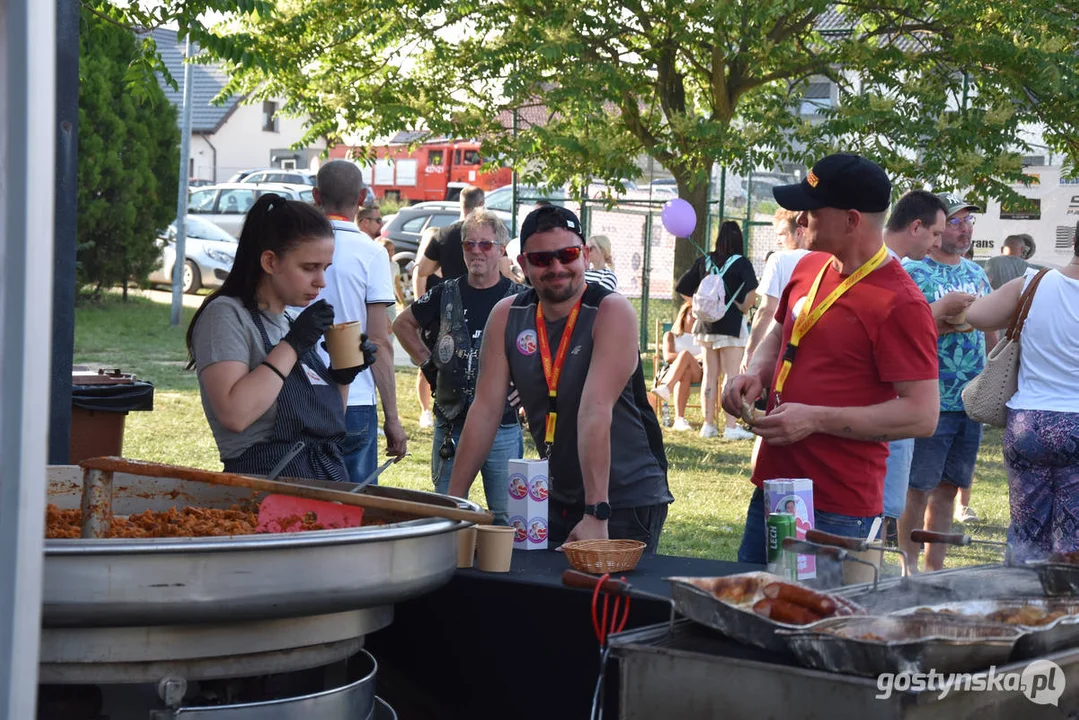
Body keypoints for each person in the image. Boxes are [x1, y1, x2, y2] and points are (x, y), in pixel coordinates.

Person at [721, 153, 939, 571]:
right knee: (755, 617)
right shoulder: (809, 266)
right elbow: (779, 336)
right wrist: (755, 376)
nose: (799, 219)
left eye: (812, 211)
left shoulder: (901, 303)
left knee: (816, 628)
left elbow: (921, 415)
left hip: (839, 508)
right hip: (775, 487)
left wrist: (814, 419)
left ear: (851, 220)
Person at [447, 205, 673, 553]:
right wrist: (453, 502)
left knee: (606, 604)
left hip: (623, 497)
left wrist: (597, 512)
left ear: (584, 255)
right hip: (554, 492)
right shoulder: (507, 316)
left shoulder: (611, 311)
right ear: (523, 264)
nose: (556, 268)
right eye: (541, 259)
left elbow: (594, 411)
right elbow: (485, 411)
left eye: (567, 255)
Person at [186, 194, 375, 480]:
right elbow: (234, 414)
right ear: (270, 262)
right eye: (309, 267)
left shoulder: (290, 321)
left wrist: (342, 378)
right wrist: (293, 345)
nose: (321, 281)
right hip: (266, 491)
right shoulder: (226, 315)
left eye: (325, 268)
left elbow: (324, 426)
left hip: (323, 483)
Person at [393, 210, 527, 524]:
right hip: (451, 422)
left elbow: (548, 343)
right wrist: (428, 365)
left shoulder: (521, 299)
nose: (476, 252)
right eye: (469, 245)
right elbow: (402, 325)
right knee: (445, 511)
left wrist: (527, 386)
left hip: (502, 425)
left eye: (485, 245)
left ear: (501, 249)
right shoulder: (445, 293)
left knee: (506, 515)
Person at [965, 221, 1079, 562]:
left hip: (1029, 423)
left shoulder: (1033, 282)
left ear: (1074, 240)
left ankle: (1017, 600)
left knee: (1027, 533)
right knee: (1073, 543)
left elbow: (977, 315)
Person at [898, 193, 997, 572]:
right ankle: (907, 570)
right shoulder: (912, 270)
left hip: (968, 400)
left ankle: (933, 569)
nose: (965, 228)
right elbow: (904, 333)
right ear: (934, 227)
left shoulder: (975, 273)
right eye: (956, 222)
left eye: (969, 222)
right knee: (917, 488)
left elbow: (990, 331)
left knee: (949, 489)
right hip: (929, 399)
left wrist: (994, 369)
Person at [313, 160, 407, 483]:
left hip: (298, 393)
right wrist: (391, 417)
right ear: (363, 197)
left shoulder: (294, 250)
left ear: (316, 196)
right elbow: (379, 341)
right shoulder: (372, 254)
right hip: (355, 397)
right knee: (357, 510)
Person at [675, 221, 759, 440]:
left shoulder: (705, 260)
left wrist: (699, 307)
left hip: (705, 326)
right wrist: (740, 307)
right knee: (732, 376)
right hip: (730, 327)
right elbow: (751, 294)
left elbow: (683, 287)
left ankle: (708, 425)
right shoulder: (742, 263)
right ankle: (731, 426)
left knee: (710, 376)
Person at [742, 208, 809, 373]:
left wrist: (750, 350)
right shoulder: (827, 258)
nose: (778, 241)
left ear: (799, 232)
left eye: (781, 234)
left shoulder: (778, 259)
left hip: (780, 345)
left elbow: (767, 309)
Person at [650, 302, 704, 431]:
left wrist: (691, 358)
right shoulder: (670, 335)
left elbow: (707, 357)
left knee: (685, 355)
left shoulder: (703, 337)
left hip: (699, 372)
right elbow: (668, 357)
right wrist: (691, 358)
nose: (695, 318)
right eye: (692, 314)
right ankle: (679, 420)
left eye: (698, 315)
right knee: (685, 372)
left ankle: (667, 389)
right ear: (684, 316)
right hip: (675, 372)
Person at [412, 226, 444, 429]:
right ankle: (425, 410)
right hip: (429, 324)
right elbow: (419, 301)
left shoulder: (449, 265)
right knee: (425, 367)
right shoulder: (422, 271)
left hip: (447, 322)